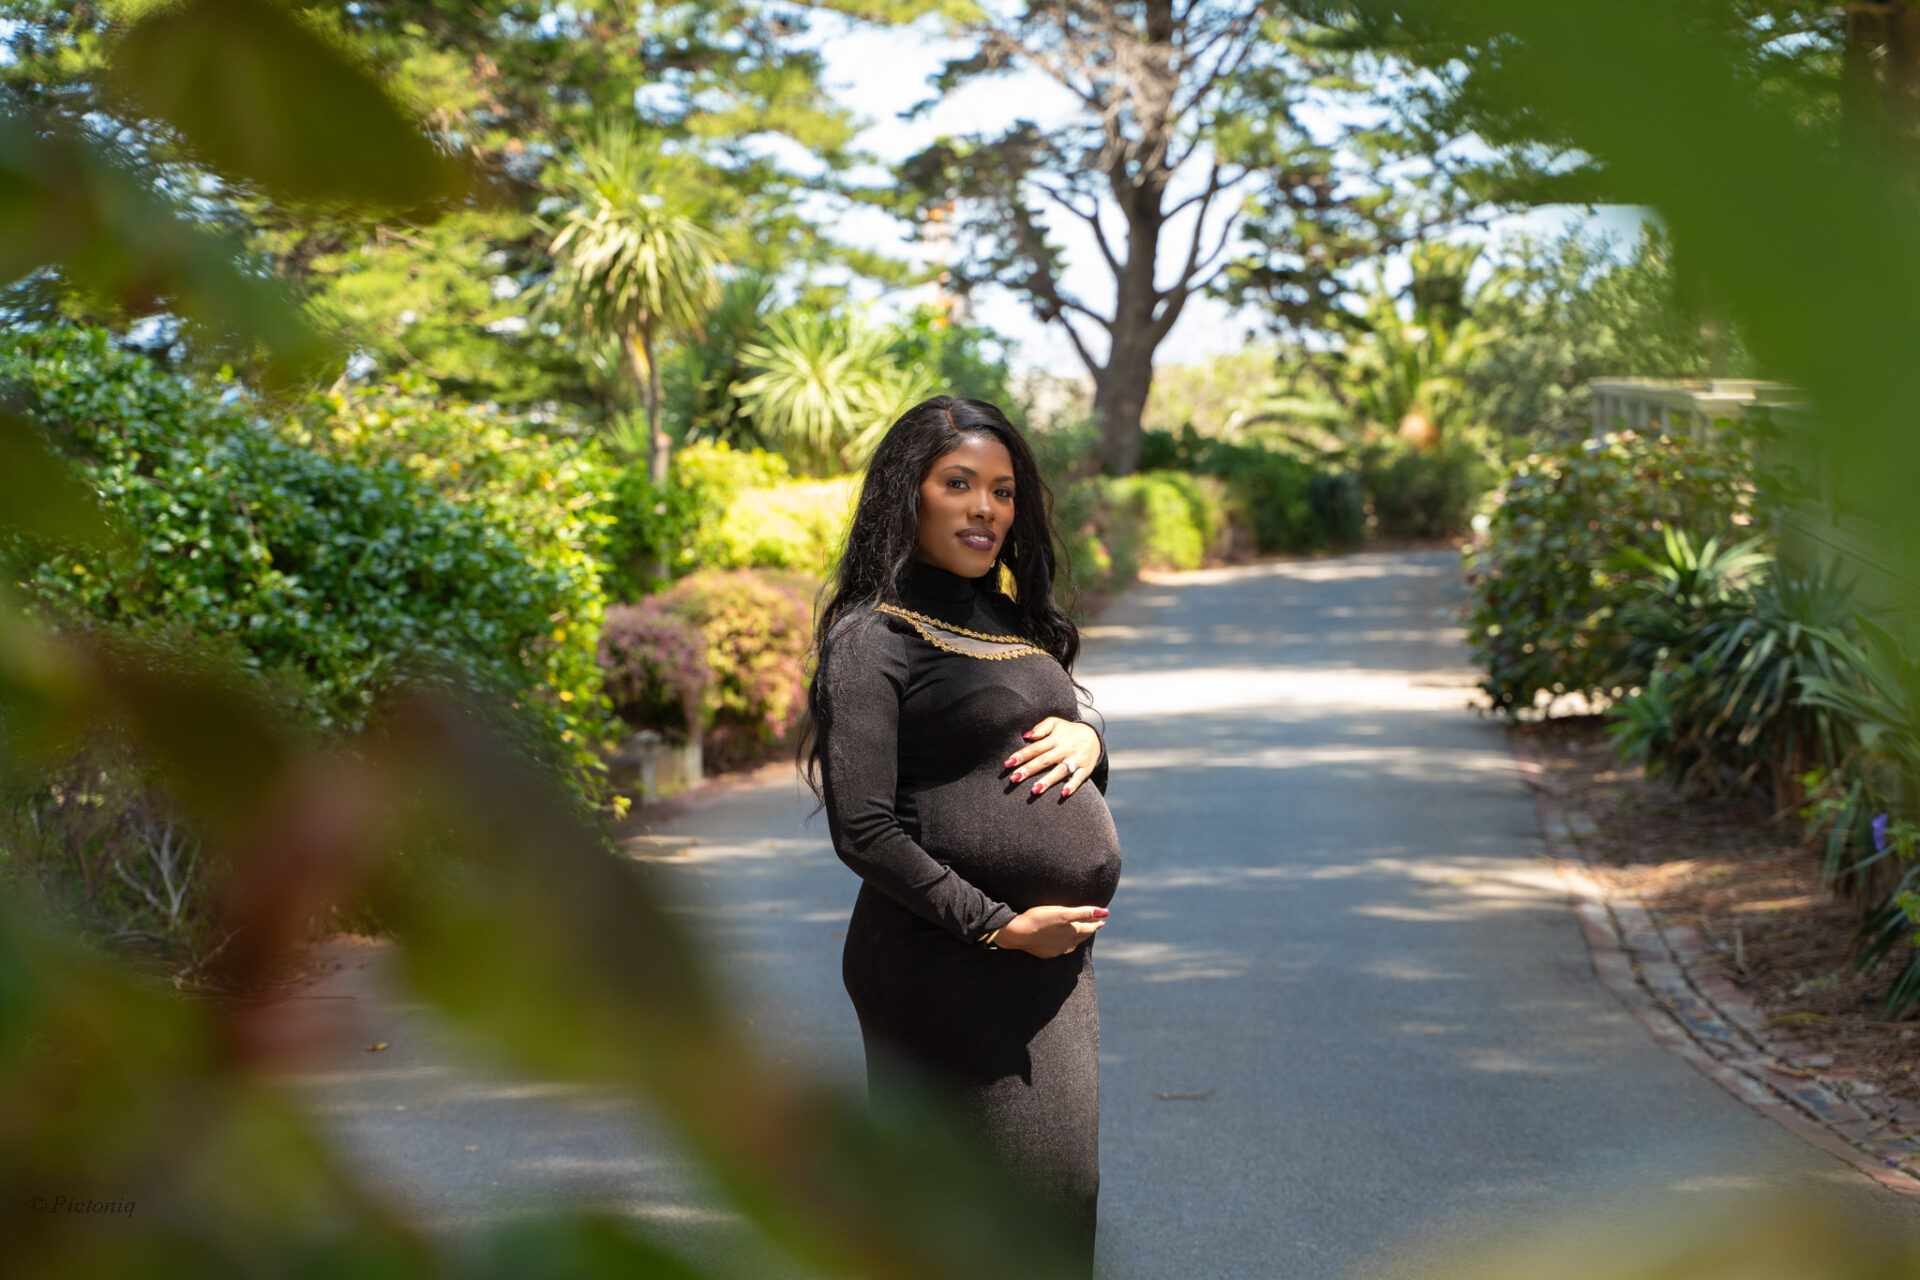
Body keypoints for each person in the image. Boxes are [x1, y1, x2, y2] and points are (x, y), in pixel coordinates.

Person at [800, 395, 1123, 1273]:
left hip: (1048, 968)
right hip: (943, 961)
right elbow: (862, 829)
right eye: (960, 485)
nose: (986, 509)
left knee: (1060, 1196)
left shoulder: (1016, 621)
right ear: (910, 496)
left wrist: (1094, 741)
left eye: (1004, 491)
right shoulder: (874, 640)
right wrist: (999, 925)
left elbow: (1053, 742)